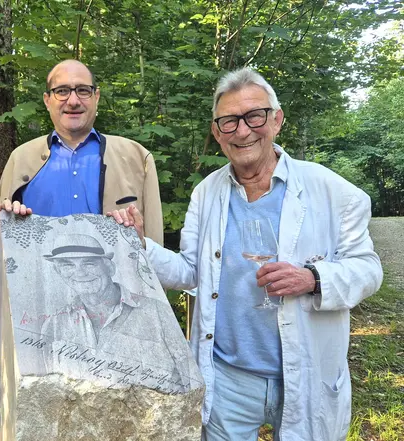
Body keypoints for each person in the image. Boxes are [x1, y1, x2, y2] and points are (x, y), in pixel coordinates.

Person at [109, 67, 383, 441]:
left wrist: (313, 279)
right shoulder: (206, 193)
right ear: (216, 132)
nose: (242, 131)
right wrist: (140, 245)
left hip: (305, 372)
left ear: (277, 120)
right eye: (229, 121)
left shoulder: (333, 191)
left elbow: (368, 269)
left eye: (254, 116)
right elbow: (190, 271)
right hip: (227, 378)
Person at [0, 59, 164, 323]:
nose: (73, 100)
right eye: (62, 91)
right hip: (36, 310)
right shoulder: (20, 159)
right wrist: (0, 237)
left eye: (83, 90)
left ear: (96, 97)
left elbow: (154, 246)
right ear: (47, 100)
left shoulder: (136, 158)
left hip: (117, 313)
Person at [39, 234, 193, 393]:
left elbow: (190, 381)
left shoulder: (157, 313)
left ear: (109, 267)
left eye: (89, 263)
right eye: (68, 265)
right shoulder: (53, 325)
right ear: (59, 272)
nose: (80, 273)